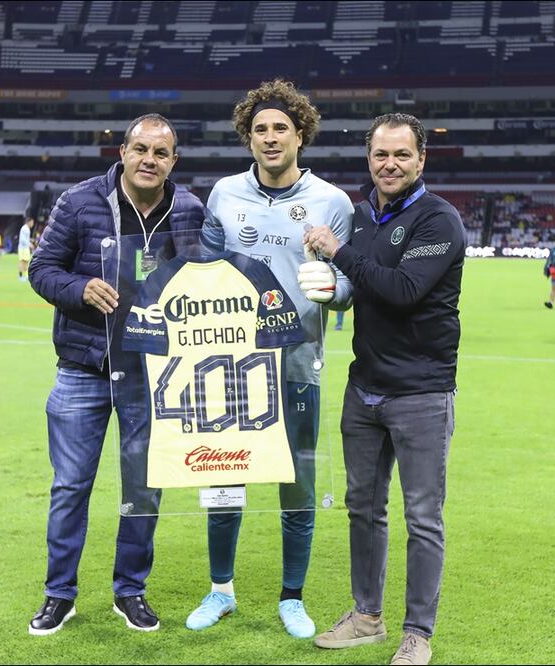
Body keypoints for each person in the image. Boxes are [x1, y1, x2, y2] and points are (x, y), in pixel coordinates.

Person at [26, 114, 207, 635]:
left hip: (152, 372)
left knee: (144, 487)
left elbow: (202, 280)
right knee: (70, 486)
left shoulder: (189, 209)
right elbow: (42, 269)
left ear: (174, 161)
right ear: (123, 151)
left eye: (161, 152)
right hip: (84, 368)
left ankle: (130, 591)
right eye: (140, 149)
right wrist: (80, 289)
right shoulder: (79, 201)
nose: (149, 159)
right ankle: (59, 594)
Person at [194, 78, 354, 639]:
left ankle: (292, 597)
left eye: (280, 128)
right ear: (248, 136)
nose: (270, 137)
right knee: (224, 481)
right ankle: (221, 591)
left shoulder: (332, 202)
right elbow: (204, 274)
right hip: (230, 368)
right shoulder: (224, 194)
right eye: (259, 129)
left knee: (297, 483)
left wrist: (334, 290)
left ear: (300, 134)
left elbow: (351, 283)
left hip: (298, 365)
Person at [304, 113, 466, 666]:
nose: (389, 164)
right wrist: (330, 284)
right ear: (368, 159)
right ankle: (367, 617)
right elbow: (355, 288)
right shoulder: (361, 215)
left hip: (421, 392)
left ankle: (417, 633)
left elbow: (402, 290)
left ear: (421, 159)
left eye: (401, 155)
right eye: (380, 154)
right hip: (365, 388)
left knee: (423, 518)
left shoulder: (438, 219)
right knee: (363, 508)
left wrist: (337, 252)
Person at [18, 217, 35, 282]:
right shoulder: (25, 228)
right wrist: (29, 244)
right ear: (29, 222)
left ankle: (24, 276)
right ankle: (21, 276)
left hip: (24, 247)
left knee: (25, 261)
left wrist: (30, 240)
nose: (32, 224)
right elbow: (23, 239)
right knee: (23, 261)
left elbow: (25, 238)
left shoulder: (25, 228)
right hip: (23, 248)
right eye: (32, 222)